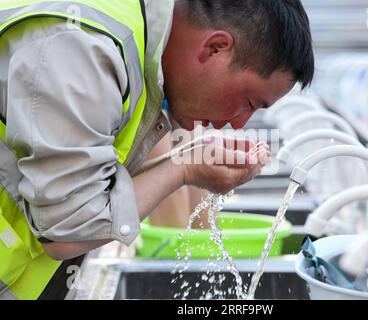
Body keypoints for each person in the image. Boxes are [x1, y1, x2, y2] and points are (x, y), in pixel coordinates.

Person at [0, 0, 314, 299]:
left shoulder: (137, 42)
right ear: (216, 48)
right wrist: (185, 168)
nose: (239, 124)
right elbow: (67, 230)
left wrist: (188, 160)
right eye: (249, 102)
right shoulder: (84, 46)